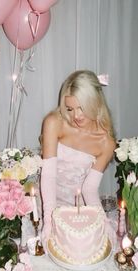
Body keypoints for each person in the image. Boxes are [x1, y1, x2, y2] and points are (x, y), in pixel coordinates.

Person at [40, 70, 116, 252]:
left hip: (77, 209)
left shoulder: (106, 142)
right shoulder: (54, 122)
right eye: (70, 108)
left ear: (96, 103)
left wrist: (101, 220)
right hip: (46, 200)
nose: (76, 116)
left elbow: (89, 189)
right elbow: (48, 176)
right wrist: (49, 220)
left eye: (82, 107)